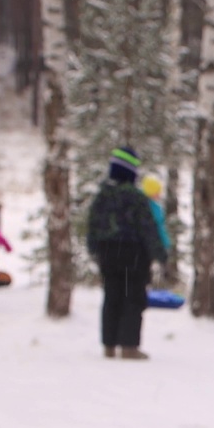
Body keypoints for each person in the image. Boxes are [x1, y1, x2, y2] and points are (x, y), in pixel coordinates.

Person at [86, 146, 167, 361]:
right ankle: (129, 346)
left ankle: (109, 344)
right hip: (134, 255)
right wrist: (160, 253)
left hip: (107, 253)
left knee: (111, 296)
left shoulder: (102, 195)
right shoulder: (136, 197)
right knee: (133, 298)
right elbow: (147, 228)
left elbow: (92, 224)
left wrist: (93, 248)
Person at [139, 173, 173, 255]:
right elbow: (158, 227)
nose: (159, 194)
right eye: (157, 191)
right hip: (151, 248)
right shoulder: (153, 208)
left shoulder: (143, 205)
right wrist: (166, 244)